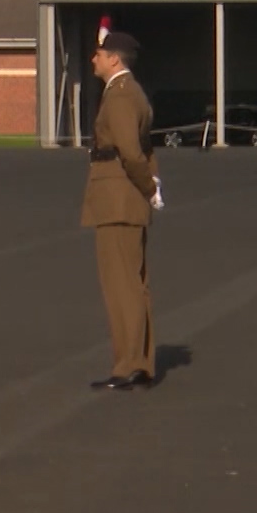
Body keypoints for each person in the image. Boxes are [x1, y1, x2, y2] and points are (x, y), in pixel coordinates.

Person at [84, 31, 161, 391]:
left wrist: (149, 186)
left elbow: (130, 152)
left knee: (121, 286)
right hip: (127, 195)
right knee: (134, 283)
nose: (94, 59)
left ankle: (127, 364)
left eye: (98, 54)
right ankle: (141, 362)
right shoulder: (132, 92)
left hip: (117, 195)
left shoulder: (119, 95)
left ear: (114, 58)